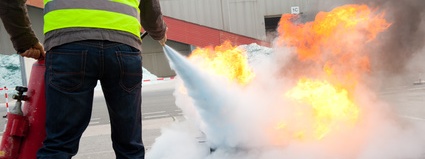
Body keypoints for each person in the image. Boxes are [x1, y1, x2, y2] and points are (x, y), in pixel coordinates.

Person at [1, 0, 168, 158]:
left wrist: (24, 39)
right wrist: (158, 32)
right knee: (130, 145)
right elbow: (150, 6)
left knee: (59, 143)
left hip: (68, 48)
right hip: (123, 50)